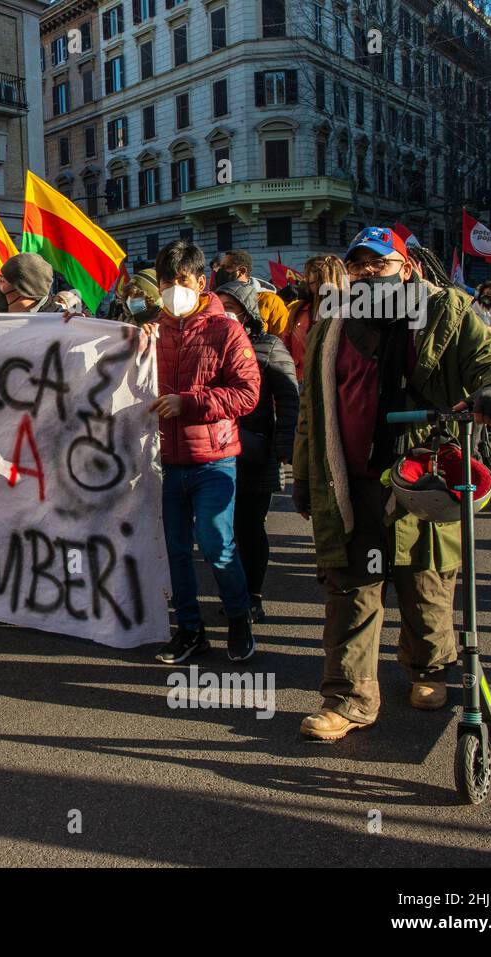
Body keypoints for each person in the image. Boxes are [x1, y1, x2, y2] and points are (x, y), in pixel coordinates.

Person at [293, 226, 491, 741]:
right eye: (359, 266)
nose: (368, 274)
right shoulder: (330, 321)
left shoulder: (448, 310)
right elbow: (312, 409)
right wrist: (305, 477)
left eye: (380, 264)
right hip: (351, 483)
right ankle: (348, 698)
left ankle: (428, 670)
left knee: (427, 581)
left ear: (408, 268)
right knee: (350, 590)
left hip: (425, 477)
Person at [150, 240, 261, 664]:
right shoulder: (150, 330)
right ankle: (191, 631)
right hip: (166, 461)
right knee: (176, 550)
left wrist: (190, 403)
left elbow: (248, 394)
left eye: (180, 281)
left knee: (217, 544)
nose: (172, 290)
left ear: (201, 282)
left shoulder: (226, 329)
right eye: (164, 282)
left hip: (214, 460)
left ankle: (238, 619)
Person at [216, 279, 298, 624]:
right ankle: (234, 594)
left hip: (255, 451)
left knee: (250, 526)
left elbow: (289, 396)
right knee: (224, 529)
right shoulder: (207, 344)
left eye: (230, 307)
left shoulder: (268, 346)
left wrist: (285, 444)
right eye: (218, 306)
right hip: (217, 451)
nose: (224, 314)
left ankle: (253, 596)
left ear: (248, 312)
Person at [283, 255, 345, 382]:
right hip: (302, 384)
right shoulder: (297, 311)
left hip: (337, 385)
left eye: (315, 275)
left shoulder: (351, 312)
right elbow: (285, 349)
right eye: (308, 274)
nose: (307, 279)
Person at [213, 249, 289, 337]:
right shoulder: (215, 299)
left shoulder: (270, 301)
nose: (220, 272)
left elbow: (282, 341)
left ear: (242, 271)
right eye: (220, 267)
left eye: (227, 267)